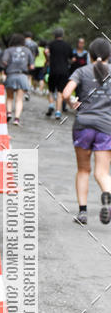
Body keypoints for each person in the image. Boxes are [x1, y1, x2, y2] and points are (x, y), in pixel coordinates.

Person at [62, 37, 111, 226]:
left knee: (83, 170)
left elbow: (66, 93)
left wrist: (71, 103)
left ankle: (82, 213)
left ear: (90, 55)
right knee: (102, 172)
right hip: (106, 127)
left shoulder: (81, 71)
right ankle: (108, 196)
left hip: (83, 125)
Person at [1, 34, 34, 125]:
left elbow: (4, 62)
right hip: (23, 76)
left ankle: (8, 113)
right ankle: (16, 119)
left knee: (9, 97)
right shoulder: (27, 51)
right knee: (19, 99)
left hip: (11, 75)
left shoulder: (8, 50)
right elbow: (32, 66)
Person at [46, 27, 73, 119]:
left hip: (53, 71)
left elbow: (46, 52)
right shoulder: (67, 45)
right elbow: (72, 58)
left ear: (54, 35)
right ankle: (58, 112)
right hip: (64, 71)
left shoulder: (51, 44)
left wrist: (48, 59)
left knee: (50, 90)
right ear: (62, 35)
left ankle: (51, 105)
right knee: (60, 92)